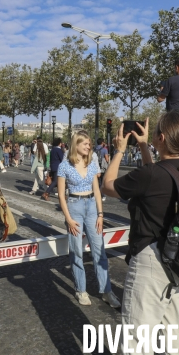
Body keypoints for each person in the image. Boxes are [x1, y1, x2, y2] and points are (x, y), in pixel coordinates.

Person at [101, 113, 179, 353]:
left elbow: (108, 185)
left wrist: (119, 150)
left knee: (138, 341)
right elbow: (157, 175)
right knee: (178, 342)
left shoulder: (151, 175)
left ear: (162, 138)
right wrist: (146, 145)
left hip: (152, 260)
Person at [57, 130, 121, 309]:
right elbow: (61, 195)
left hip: (92, 206)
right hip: (74, 207)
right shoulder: (65, 166)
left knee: (99, 250)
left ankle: (106, 291)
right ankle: (81, 290)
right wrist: (68, 219)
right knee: (76, 251)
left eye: (89, 144)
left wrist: (101, 214)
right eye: (85, 143)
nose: (88, 146)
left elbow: (98, 190)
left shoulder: (92, 163)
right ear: (76, 144)